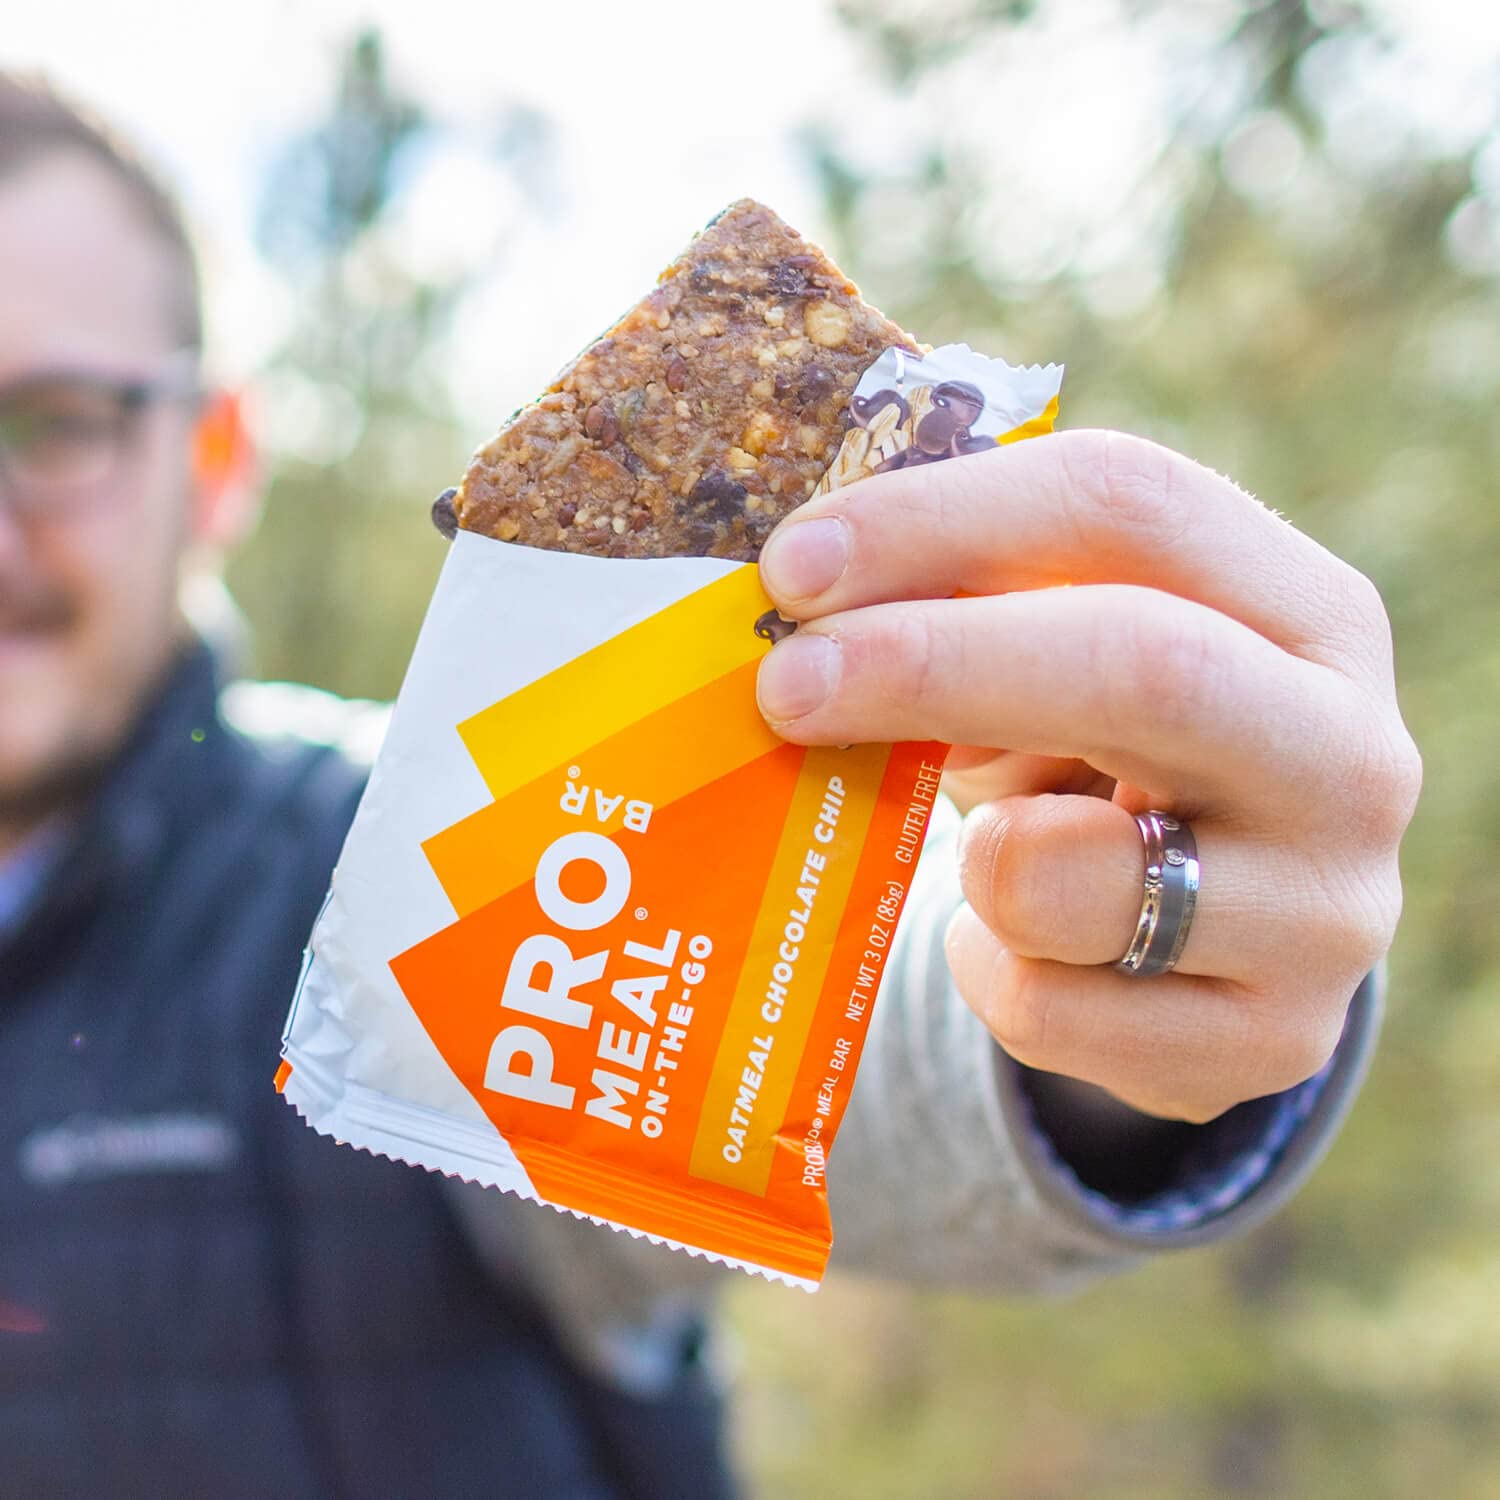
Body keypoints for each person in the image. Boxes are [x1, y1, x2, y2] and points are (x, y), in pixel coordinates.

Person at [0, 73, 1419, 1500]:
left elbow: (895, 1042)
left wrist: (1110, 960)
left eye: (50, 424)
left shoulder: (384, 877)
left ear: (216, 457)